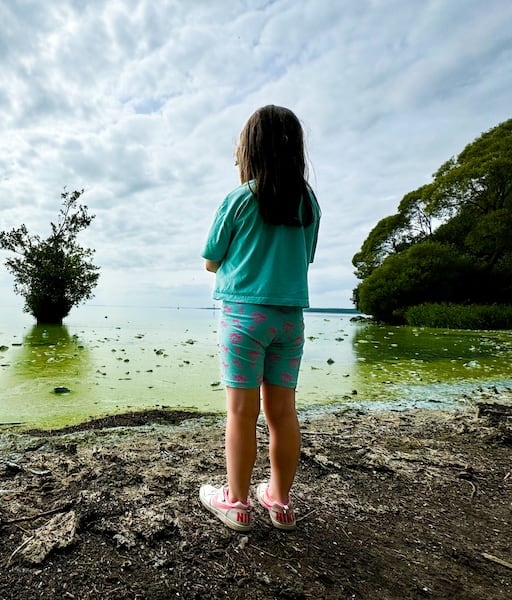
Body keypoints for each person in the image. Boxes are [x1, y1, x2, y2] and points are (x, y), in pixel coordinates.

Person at [199, 105, 321, 532]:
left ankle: (235, 502)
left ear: (249, 151)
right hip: (289, 321)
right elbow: (304, 257)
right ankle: (281, 502)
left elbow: (212, 261)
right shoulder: (308, 202)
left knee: (240, 412)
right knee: (283, 413)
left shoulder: (238, 200)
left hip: (242, 320)